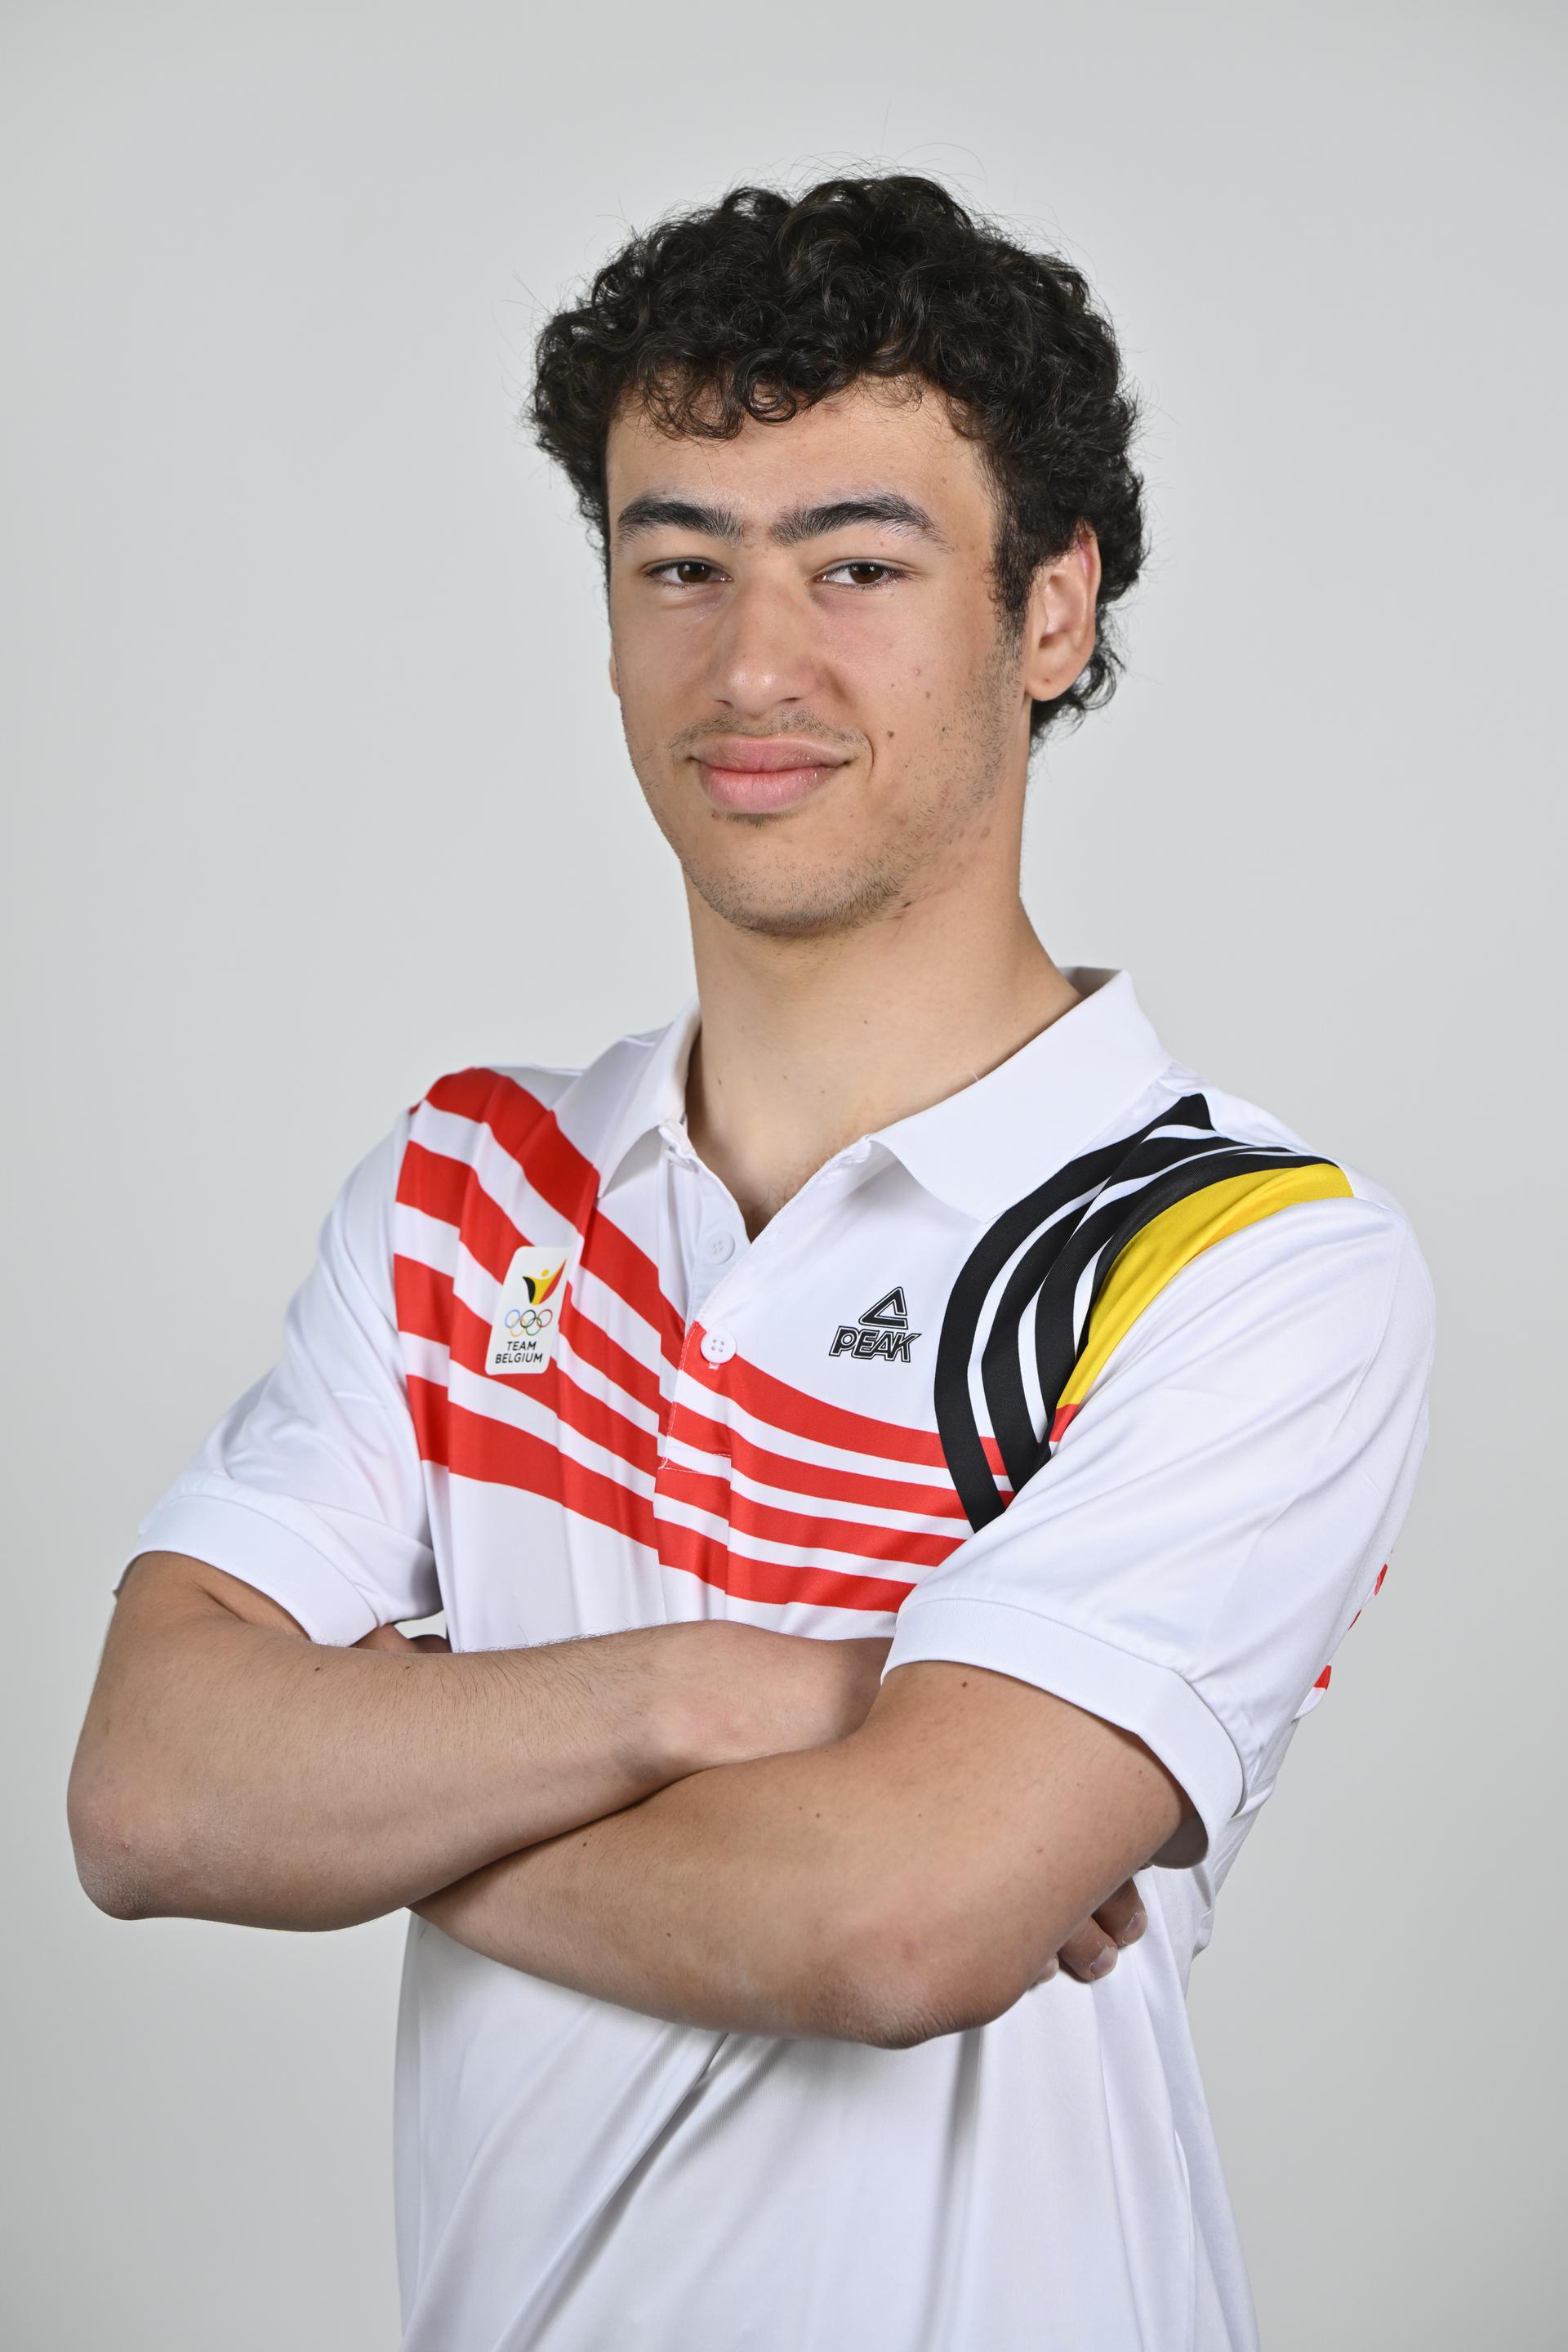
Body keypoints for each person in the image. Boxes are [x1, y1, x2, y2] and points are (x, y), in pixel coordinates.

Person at [68, 172, 1435, 2350]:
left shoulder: (1245, 1262)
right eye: (678, 562)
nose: (752, 665)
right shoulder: (465, 1187)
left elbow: (896, 1923)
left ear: (1052, 610)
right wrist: (726, 1692)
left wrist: (372, 1788)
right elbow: (151, 1792)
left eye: (857, 566)